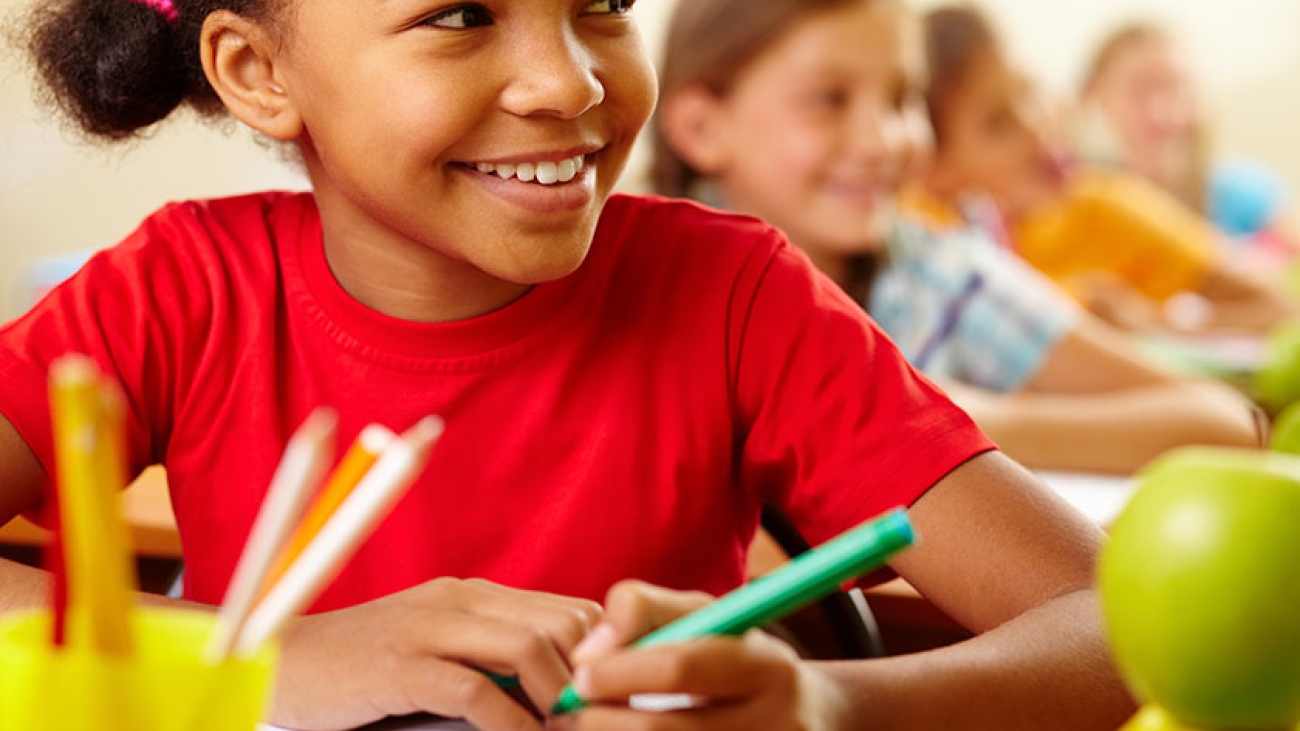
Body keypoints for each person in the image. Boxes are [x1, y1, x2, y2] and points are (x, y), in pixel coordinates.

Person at [0, 0, 1133, 730]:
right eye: (460, 14)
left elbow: (1112, 624)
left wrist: (830, 704)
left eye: (602, 3)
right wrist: (275, 656)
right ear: (257, 70)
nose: (571, 82)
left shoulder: (737, 296)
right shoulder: (181, 289)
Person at [650, 0, 1262, 475]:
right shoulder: (639, 293)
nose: (885, 139)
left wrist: (962, 419)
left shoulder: (939, 278)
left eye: (901, 98)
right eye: (829, 99)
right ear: (702, 126)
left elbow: (1225, 421)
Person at [919, 6, 1297, 334]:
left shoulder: (1108, 206)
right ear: (931, 167)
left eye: (1029, 90)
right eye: (998, 123)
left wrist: (1153, 323)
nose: (1037, 127)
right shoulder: (918, 244)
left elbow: (1282, 307)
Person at [1078, 21, 1298, 263]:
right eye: (1139, 89)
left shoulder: (1246, 194)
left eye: (1176, 86)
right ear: (1096, 95)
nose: (1160, 112)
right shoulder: (1083, 205)